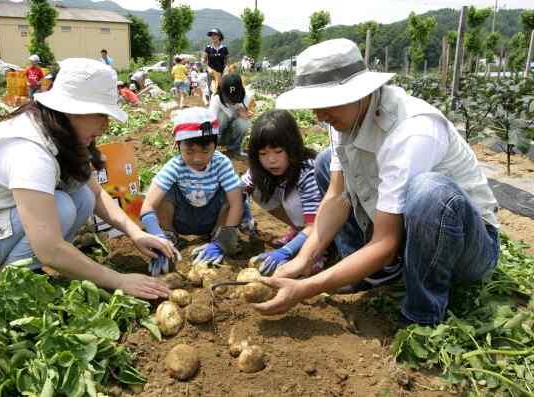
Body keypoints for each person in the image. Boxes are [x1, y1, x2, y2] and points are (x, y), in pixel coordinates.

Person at [253, 39, 500, 326]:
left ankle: (422, 314)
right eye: (314, 106)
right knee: (324, 163)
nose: (319, 116)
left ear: (360, 92)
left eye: (325, 104)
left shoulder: (410, 131)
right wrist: (303, 259)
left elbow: (386, 241)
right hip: (411, 234)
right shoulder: (345, 118)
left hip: (468, 248)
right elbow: (335, 197)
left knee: (430, 193)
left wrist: (308, 287)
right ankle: (372, 271)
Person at [0, 58, 175, 300]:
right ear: (72, 111)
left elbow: (95, 194)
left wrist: (134, 233)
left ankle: (25, 271)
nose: (105, 125)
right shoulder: (29, 151)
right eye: (100, 115)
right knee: (60, 209)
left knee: (82, 196)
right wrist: (118, 280)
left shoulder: (59, 134)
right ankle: (3, 291)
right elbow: (49, 247)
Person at [139, 107, 245, 275]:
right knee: (164, 190)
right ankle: (169, 236)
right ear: (177, 145)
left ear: (215, 145)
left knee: (235, 191)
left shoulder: (221, 163)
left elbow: (237, 204)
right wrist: (158, 238)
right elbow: (147, 207)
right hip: (182, 219)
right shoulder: (175, 166)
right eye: (189, 151)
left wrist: (224, 240)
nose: (197, 158)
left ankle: (217, 236)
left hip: (212, 219)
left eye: (206, 151)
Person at [242, 109, 321, 275]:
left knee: (291, 200)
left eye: (278, 152)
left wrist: (287, 251)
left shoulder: (308, 171)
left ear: (292, 147)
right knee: (256, 188)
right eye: (263, 154)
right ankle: (297, 230)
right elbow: (239, 190)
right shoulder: (260, 169)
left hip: (321, 226)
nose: (271, 160)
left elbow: (316, 225)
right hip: (303, 220)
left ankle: (319, 249)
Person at [208, 74, 254, 160]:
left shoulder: (247, 96)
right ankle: (215, 146)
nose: (232, 102)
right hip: (218, 133)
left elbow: (250, 114)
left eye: (235, 98)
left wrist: (246, 114)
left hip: (232, 131)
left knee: (244, 123)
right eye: (229, 99)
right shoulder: (216, 98)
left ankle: (234, 149)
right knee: (222, 116)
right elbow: (211, 120)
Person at [203, 28, 228, 92]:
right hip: (211, 73)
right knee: (211, 91)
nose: (213, 36)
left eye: (215, 35)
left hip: (221, 73)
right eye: (211, 35)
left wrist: (226, 69)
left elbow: (227, 61)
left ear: (219, 36)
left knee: (222, 90)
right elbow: (203, 60)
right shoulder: (208, 48)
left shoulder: (224, 48)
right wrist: (208, 68)